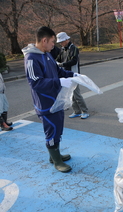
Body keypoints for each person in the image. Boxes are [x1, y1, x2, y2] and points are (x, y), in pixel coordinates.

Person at [22, 26, 75, 173]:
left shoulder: (46, 53)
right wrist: (59, 82)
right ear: (44, 40)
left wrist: (72, 75)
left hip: (56, 101)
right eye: (52, 42)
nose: (54, 45)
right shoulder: (31, 58)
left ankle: (55, 155)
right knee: (51, 131)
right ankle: (56, 161)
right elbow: (35, 82)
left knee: (58, 129)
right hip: (45, 104)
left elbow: (58, 71)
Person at [56, 32, 89, 119]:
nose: (61, 43)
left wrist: (61, 64)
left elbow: (73, 61)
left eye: (62, 41)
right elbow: (58, 59)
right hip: (65, 74)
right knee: (71, 94)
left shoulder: (74, 48)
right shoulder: (63, 49)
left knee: (77, 94)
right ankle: (77, 111)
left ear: (67, 40)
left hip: (74, 74)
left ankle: (85, 111)